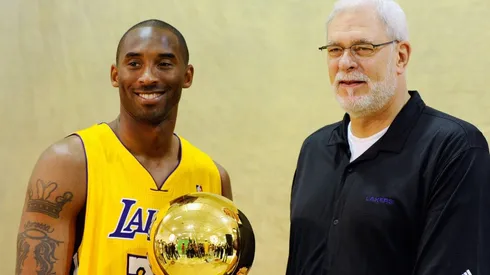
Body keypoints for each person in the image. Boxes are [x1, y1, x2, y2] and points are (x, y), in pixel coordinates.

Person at [15, 19, 233, 275]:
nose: (148, 77)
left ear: (187, 76)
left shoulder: (213, 180)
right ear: (115, 75)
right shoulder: (69, 163)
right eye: (134, 64)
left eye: (164, 64)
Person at [286, 0, 490, 274]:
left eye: (362, 48)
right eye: (335, 49)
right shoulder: (315, 148)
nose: (345, 63)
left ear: (401, 56)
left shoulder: (454, 148)